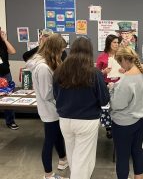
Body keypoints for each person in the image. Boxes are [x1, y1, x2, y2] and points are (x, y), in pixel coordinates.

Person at [53, 37, 110, 179]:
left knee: (73, 156)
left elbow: (55, 95)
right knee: (83, 159)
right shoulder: (94, 72)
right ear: (90, 52)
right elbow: (104, 100)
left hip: (65, 119)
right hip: (86, 120)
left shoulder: (59, 71)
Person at [26, 34, 68, 179]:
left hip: (53, 109)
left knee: (57, 136)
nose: (62, 53)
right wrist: (63, 89)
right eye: (61, 51)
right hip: (50, 110)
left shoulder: (46, 62)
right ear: (54, 49)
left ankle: (63, 160)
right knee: (49, 141)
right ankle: (48, 175)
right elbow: (47, 94)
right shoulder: (43, 67)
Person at [110, 47, 143, 179]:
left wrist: (112, 90)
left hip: (124, 123)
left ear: (124, 59)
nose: (120, 66)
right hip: (142, 119)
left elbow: (117, 105)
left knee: (122, 156)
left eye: (119, 62)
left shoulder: (127, 79)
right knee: (137, 150)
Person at [96, 34, 123, 139]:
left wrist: (124, 71)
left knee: (117, 106)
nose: (116, 44)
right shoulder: (102, 56)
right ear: (109, 43)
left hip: (119, 84)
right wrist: (104, 72)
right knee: (106, 107)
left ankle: (117, 124)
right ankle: (108, 128)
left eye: (117, 43)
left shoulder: (121, 55)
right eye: (114, 42)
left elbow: (128, 69)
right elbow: (96, 73)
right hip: (106, 85)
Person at [0, 28, 18, 130]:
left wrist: (5, 39)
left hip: (6, 74)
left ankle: (10, 121)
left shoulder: (3, 43)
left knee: (9, 97)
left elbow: (13, 51)